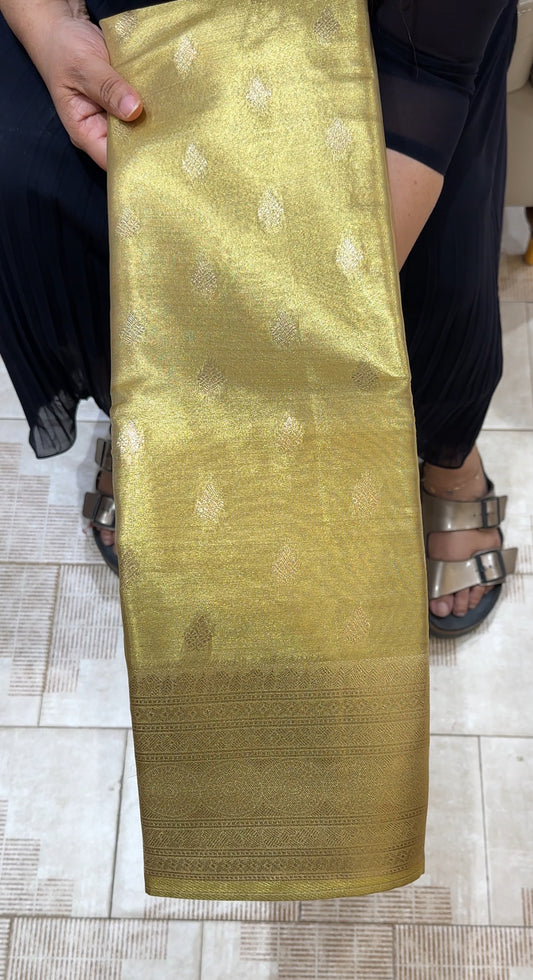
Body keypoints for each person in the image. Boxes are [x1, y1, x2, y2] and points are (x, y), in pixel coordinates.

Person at [0, 0, 518, 901]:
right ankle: (147, 416)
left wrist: (307, 301)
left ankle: (444, 451)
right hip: (129, 27)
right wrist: (46, 28)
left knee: (406, 276)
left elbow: (428, 65)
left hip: (402, 32)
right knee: (30, 172)